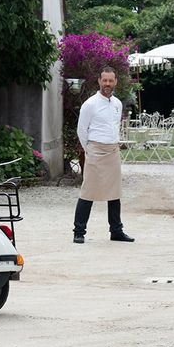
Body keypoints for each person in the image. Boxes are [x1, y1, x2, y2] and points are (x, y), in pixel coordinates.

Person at [73, 66, 134, 244]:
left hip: (112, 151)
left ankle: (116, 231)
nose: (107, 84)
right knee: (88, 192)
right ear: (99, 81)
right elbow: (81, 130)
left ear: (115, 82)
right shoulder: (90, 104)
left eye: (110, 80)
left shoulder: (117, 103)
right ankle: (79, 231)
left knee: (115, 193)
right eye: (104, 80)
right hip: (95, 151)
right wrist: (89, 149)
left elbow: (115, 126)